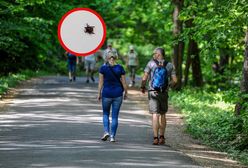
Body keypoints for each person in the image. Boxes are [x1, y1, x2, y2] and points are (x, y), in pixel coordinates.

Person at [140, 47, 177, 145]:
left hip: (153, 92)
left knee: (155, 114)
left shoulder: (151, 63)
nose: (153, 55)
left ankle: (155, 137)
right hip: (164, 92)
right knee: (163, 114)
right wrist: (168, 86)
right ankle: (162, 137)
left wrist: (142, 87)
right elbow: (175, 80)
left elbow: (144, 78)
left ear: (159, 54)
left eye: (154, 53)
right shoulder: (169, 65)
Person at [97, 51, 128, 142]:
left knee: (106, 114)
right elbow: (124, 82)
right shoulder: (120, 68)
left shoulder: (103, 68)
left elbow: (100, 82)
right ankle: (112, 136)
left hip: (106, 94)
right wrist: (126, 92)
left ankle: (106, 131)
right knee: (115, 116)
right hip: (118, 94)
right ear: (116, 57)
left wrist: (99, 93)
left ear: (106, 58)